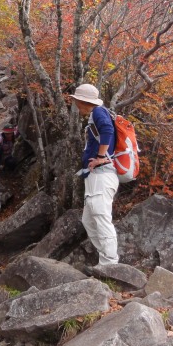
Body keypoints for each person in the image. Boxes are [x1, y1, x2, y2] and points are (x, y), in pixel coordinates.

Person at [70, 84, 119, 265]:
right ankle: (105, 258)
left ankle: (110, 263)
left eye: (76, 100)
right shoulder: (95, 114)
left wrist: (100, 157)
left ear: (82, 101)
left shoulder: (98, 112)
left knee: (101, 217)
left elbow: (107, 130)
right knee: (89, 220)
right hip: (95, 177)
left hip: (102, 175)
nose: (75, 104)